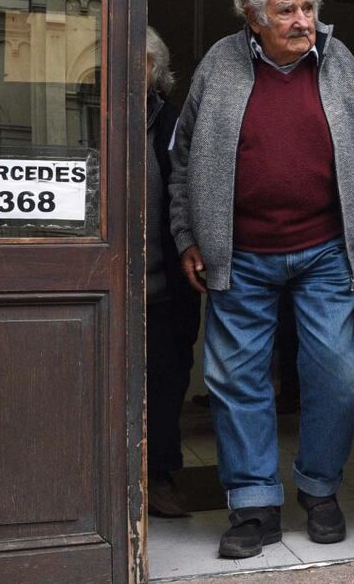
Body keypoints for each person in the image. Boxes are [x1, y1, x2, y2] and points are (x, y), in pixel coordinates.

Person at [169, 0, 354, 559]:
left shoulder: (339, 62)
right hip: (239, 253)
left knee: (340, 373)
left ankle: (319, 489)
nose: (303, 21)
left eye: (308, 8)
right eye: (286, 10)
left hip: (325, 248)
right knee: (236, 378)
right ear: (254, 18)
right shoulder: (219, 64)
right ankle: (253, 505)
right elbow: (183, 160)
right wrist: (189, 235)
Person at [145, 26, 200, 518]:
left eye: (143, 62)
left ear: (156, 72)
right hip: (100, 284)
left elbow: (191, 186)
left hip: (164, 286)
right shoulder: (86, 116)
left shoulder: (174, 120)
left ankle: (159, 476)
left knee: (165, 386)